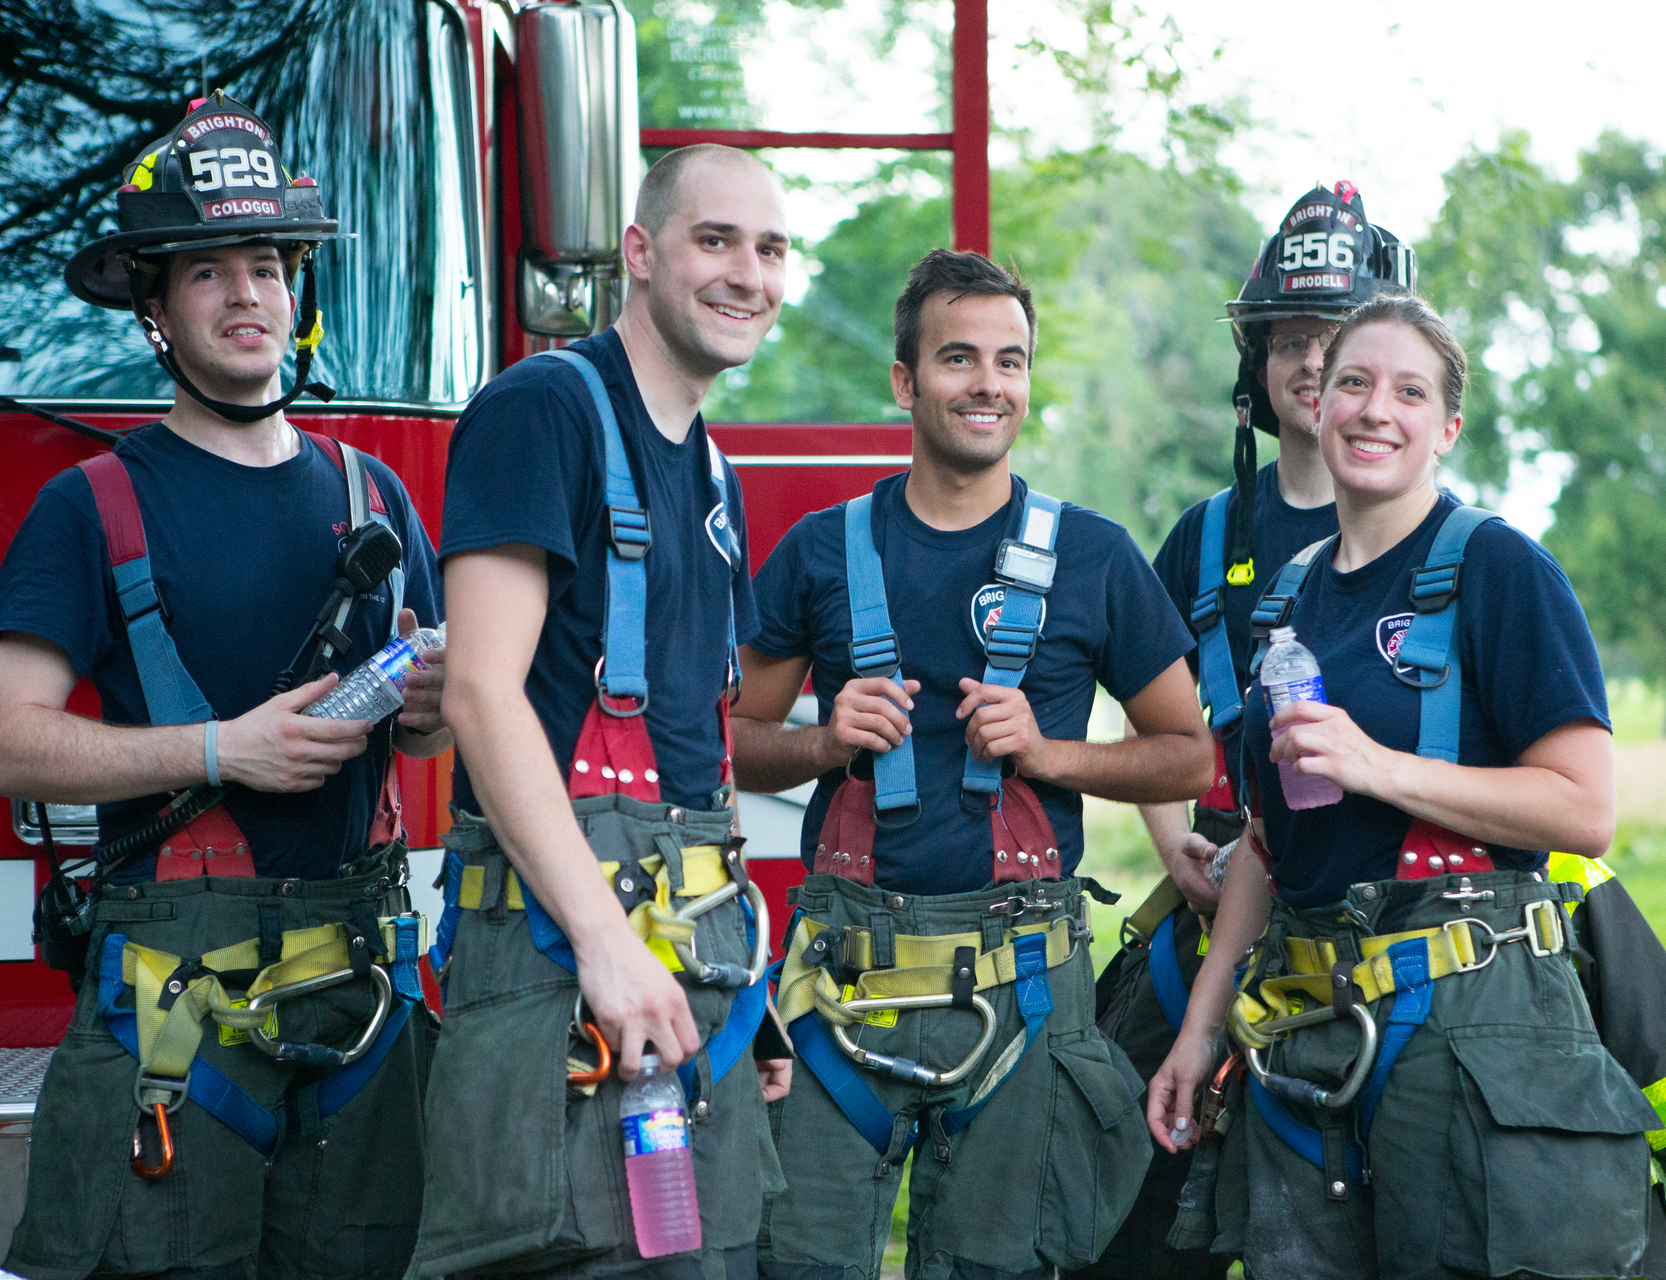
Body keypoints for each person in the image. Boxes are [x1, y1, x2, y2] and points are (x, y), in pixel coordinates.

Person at [1146, 293, 1666, 1279]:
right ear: (1316, 409)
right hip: (1303, 1030)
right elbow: (1269, 844)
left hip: (1471, 1013)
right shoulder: (1289, 600)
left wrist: (1378, 765)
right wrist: (1196, 1030)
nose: (1372, 409)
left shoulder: (1501, 569)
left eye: (1408, 391)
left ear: (1445, 428)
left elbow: (1583, 805)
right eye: (1352, 382)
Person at [0, 94, 447, 1280]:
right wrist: (217, 750)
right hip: (173, 1014)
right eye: (207, 273)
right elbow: (9, 740)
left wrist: (428, 701)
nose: (246, 295)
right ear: (154, 308)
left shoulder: (376, 497)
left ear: (295, 293)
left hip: (359, 992)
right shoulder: (87, 506)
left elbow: (435, 726)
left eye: (266, 265)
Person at [733, 248, 1214, 1280]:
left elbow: (1191, 750)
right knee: (791, 1259)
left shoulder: (1096, 558)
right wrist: (824, 737)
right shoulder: (822, 551)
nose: (988, 382)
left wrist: (1049, 753)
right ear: (906, 382)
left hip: (1025, 989)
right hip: (839, 988)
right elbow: (722, 740)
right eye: (958, 358)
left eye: (1010, 359)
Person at [413, 143, 790, 1280]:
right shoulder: (544, 411)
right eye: (713, 240)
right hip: (559, 976)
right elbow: (479, 687)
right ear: (638, 251)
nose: (747, 274)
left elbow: (693, 756)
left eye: (769, 248)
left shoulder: (713, 473)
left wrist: (733, 982)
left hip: (675, 979)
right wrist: (604, 943)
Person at [1087, 183, 1410, 1280]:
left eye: (1338, 340)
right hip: (1209, 908)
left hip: (1386, 925)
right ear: (1257, 372)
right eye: (1290, 342)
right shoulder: (1209, 533)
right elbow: (1150, 709)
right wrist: (1167, 838)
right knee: (1120, 1187)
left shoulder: (1446, 549)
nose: (1312, 364)